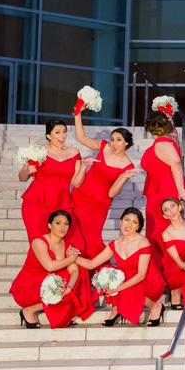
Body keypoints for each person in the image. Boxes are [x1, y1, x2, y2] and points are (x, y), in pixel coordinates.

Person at [76, 207, 167, 327]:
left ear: (138, 227)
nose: (129, 224)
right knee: (108, 274)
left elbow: (141, 275)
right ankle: (117, 309)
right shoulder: (115, 244)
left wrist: (118, 288)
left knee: (124, 287)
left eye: (134, 222)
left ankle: (155, 306)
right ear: (120, 221)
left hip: (148, 281)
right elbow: (92, 264)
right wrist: (73, 258)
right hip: (128, 279)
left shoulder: (143, 243)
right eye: (127, 220)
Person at [10, 210, 94, 329]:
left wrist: (69, 287)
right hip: (28, 288)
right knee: (60, 288)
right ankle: (29, 310)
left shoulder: (67, 245)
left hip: (50, 284)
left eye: (66, 224)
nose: (62, 227)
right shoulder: (39, 242)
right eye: (58, 223)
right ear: (49, 225)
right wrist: (71, 259)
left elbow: (74, 271)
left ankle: (63, 314)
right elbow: (49, 266)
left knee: (78, 278)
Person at [71, 111, 137, 259]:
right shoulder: (103, 146)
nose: (114, 143)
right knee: (74, 232)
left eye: (118, 140)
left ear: (126, 143)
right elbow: (81, 137)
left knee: (92, 237)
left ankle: (98, 271)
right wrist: (77, 115)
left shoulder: (128, 165)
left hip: (99, 202)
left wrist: (124, 177)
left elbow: (112, 193)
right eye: (112, 139)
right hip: (81, 195)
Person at [140, 111, 185, 270]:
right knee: (160, 230)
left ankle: (167, 272)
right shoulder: (169, 140)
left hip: (164, 191)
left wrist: (181, 190)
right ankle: (165, 272)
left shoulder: (162, 142)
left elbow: (176, 162)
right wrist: (169, 114)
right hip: (159, 190)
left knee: (161, 230)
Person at [18, 119, 82, 242]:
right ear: (48, 135)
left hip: (62, 202)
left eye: (64, 131)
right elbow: (22, 178)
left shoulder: (74, 152)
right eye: (57, 132)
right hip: (36, 202)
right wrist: (27, 170)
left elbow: (76, 183)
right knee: (40, 243)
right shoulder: (38, 151)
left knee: (76, 242)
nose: (62, 135)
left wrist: (84, 166)